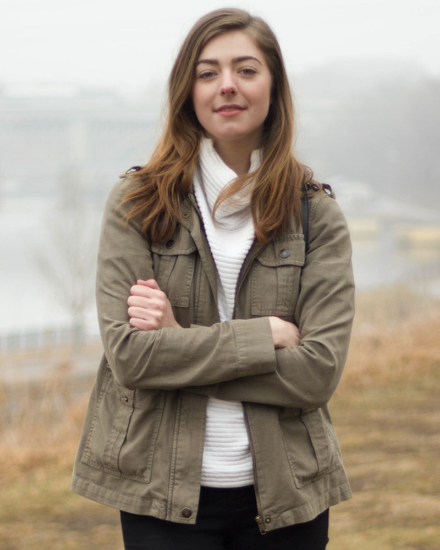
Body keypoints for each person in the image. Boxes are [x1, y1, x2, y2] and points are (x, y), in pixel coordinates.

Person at [72, 8, 355, 550]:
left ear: (274, 87)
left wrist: (177, 342)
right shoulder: (136, 204)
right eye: (208, 73)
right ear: (188, 90)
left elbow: (317, 373)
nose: (227, 86)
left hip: (286, 497)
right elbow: (131, 358)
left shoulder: (316, 214)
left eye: (246, 70)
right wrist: (260, 337)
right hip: (163, 499)